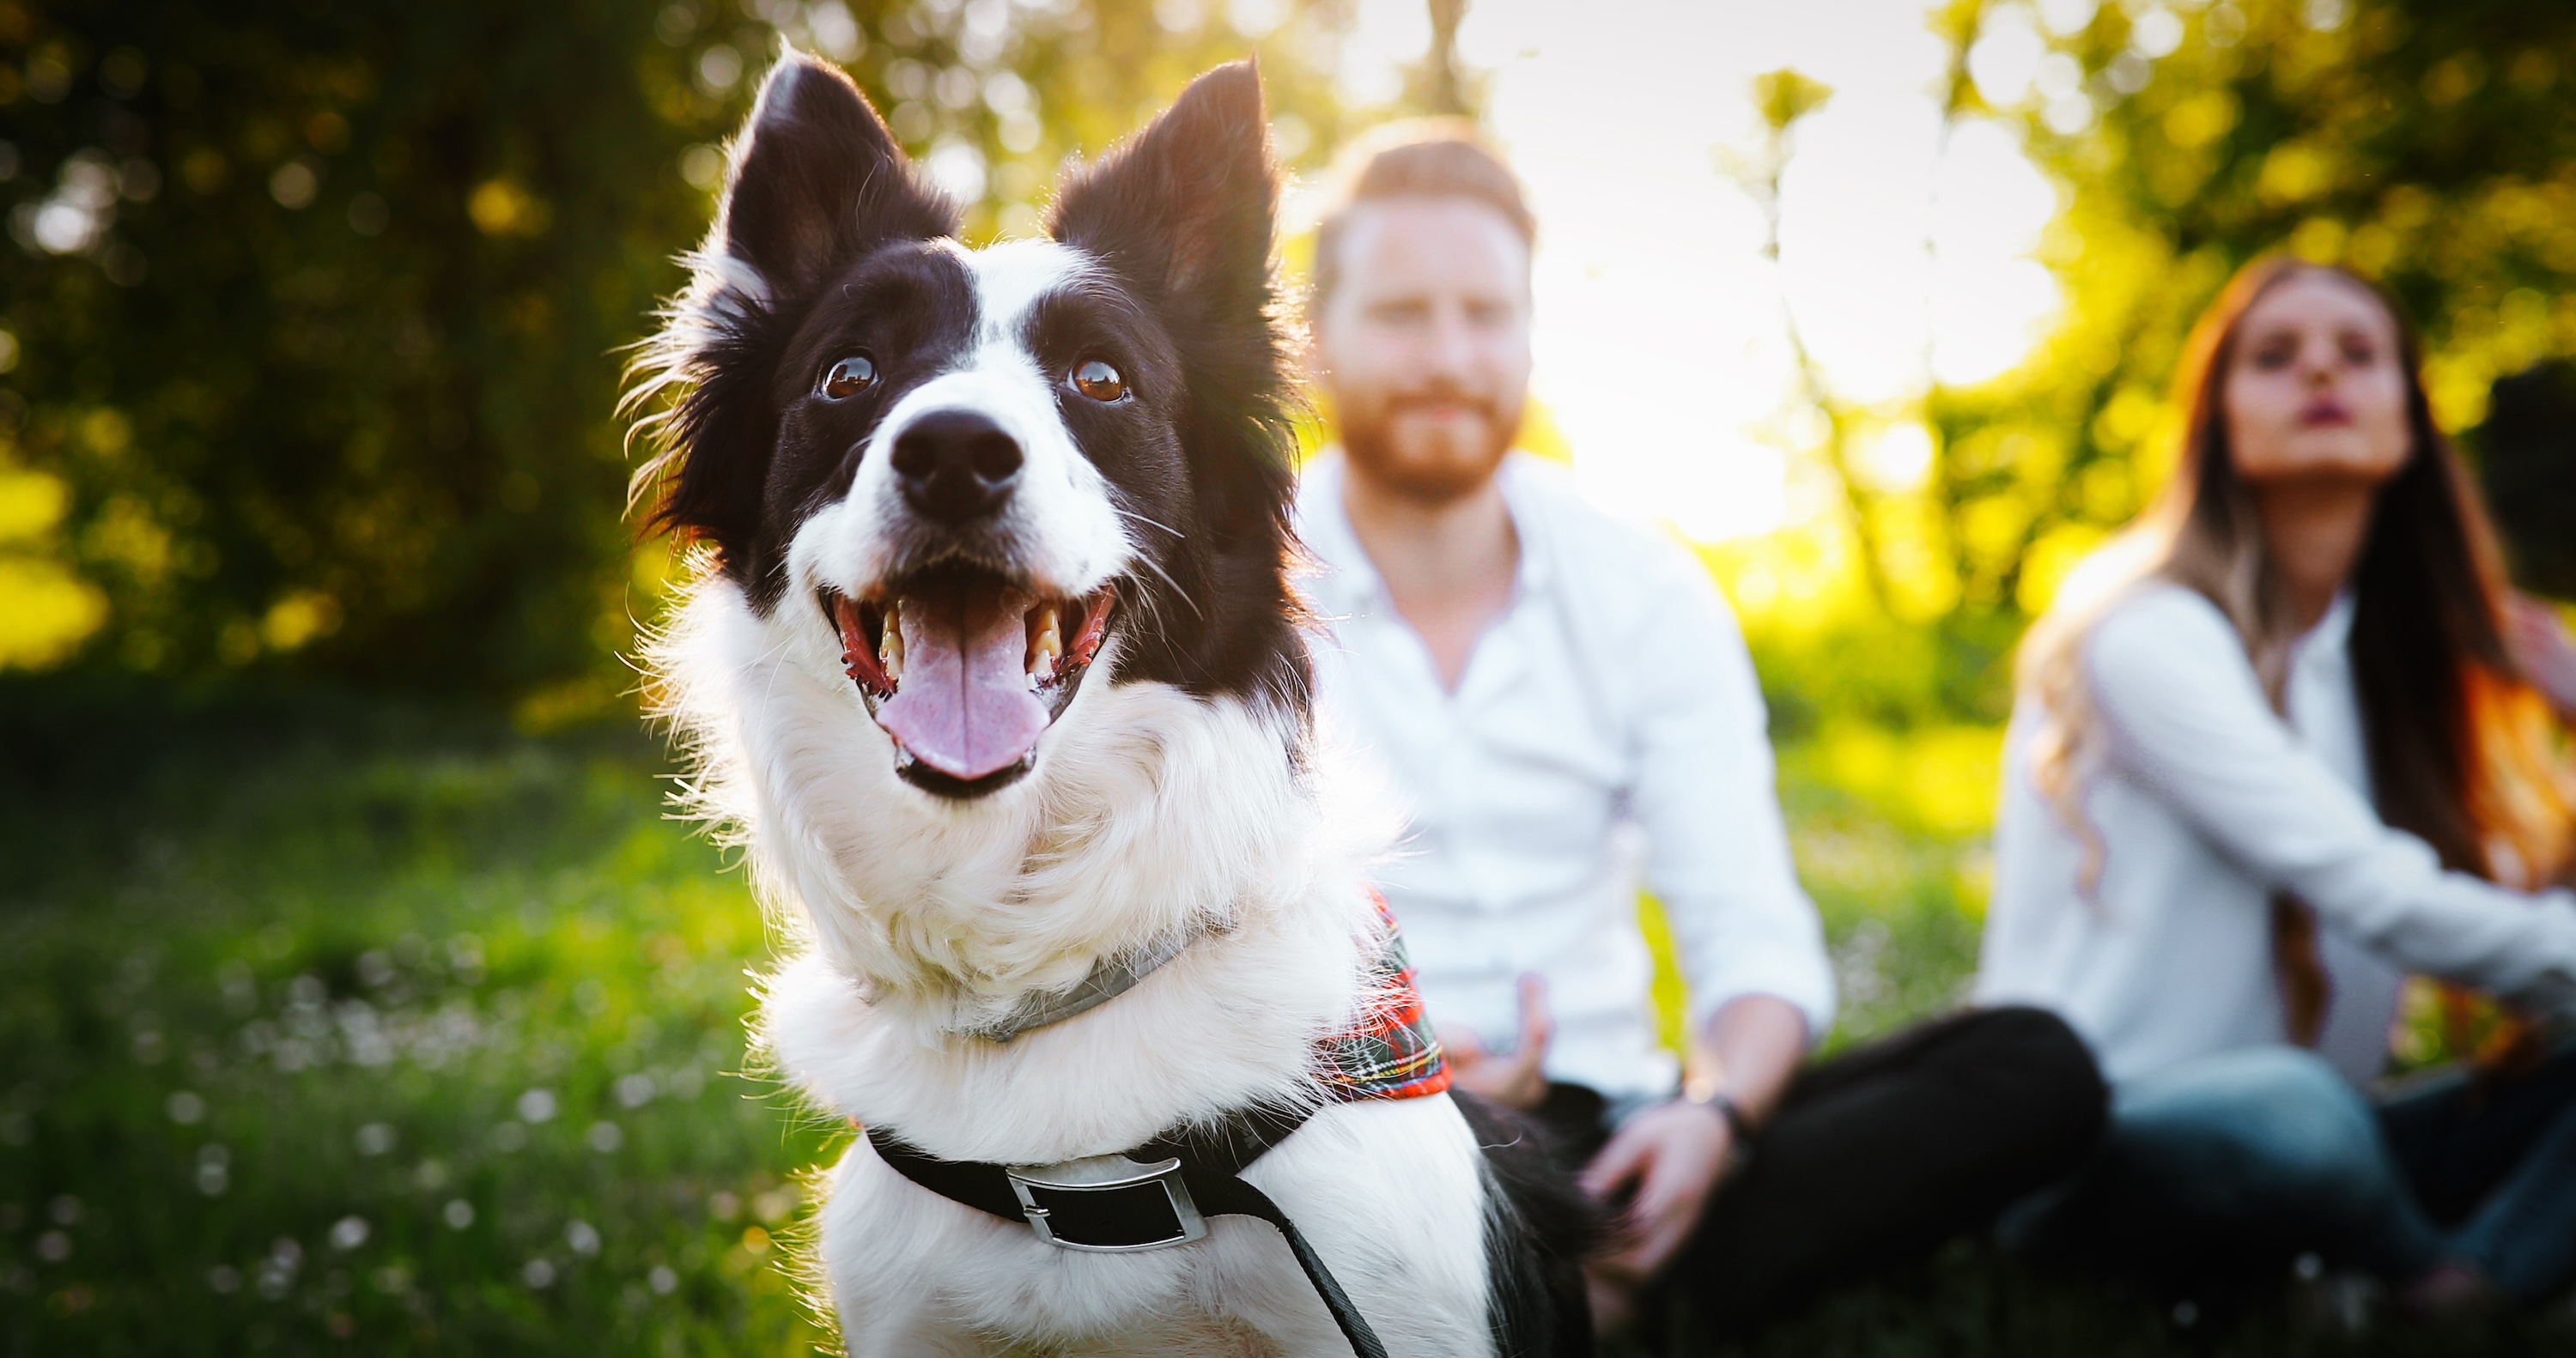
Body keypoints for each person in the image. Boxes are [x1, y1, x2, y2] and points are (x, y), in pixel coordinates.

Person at [1292, 120, 2108, 1338]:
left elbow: (1753, 949)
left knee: (2034, 1065)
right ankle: (1583, 1292)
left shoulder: (1647, 592)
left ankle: (1593, 1270)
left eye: (1486, 312)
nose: (1450, 355)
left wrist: (1711, 1122)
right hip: (1332, 1130)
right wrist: (1387, 1063)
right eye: (1404, 313)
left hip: (1612, 1132)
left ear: (1528, 329)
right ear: (1316, 338)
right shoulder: (1230, 600)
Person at [1977, 255, 2576, 1309]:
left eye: (2358, 353)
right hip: (2108, 1148)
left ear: (2408, 420)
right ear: (2215, 419)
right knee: (2291, 1116)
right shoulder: (2144, 631)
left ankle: (2444, 1283)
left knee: (2333, 1116)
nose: (2319, 373)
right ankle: (2425, 1281)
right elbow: (2379, 893)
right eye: (2275, 355)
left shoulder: (2385, 667)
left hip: (2337, 1137)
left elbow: (2519, 917)